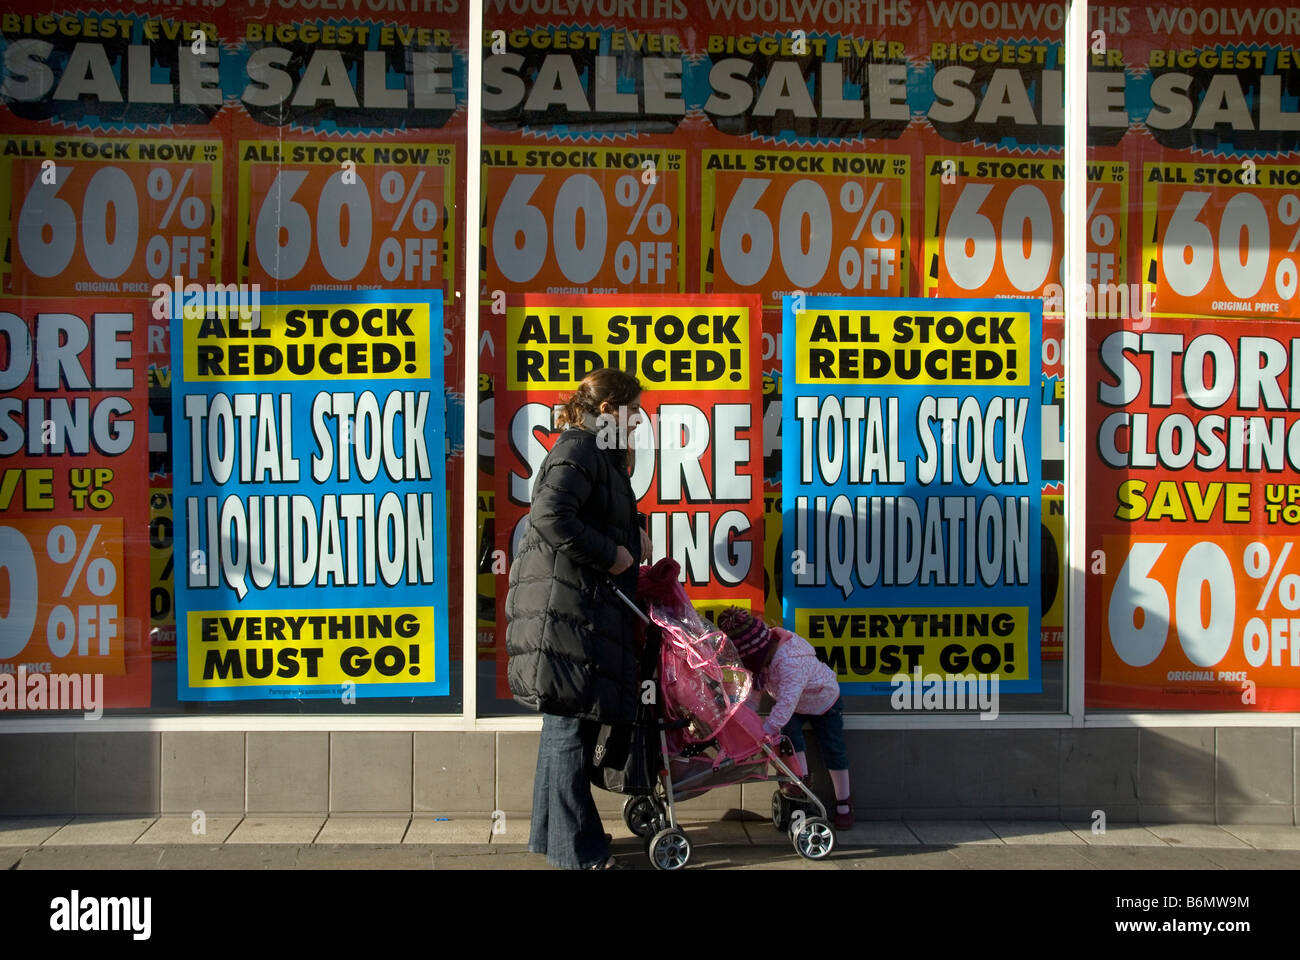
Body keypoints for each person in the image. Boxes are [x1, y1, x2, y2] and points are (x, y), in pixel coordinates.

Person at [505, 367, 653, 870]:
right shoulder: (580, 447)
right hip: (566, 611)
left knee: (563, 725)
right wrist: (612, 553)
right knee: (571, 729)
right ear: (609, 410)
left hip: (569, 609)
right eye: (634, 411)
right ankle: (579, 852)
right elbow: (550, 515)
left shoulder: (594, 451)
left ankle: (555, 840)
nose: (640, 421)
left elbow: (590, 511)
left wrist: (634, 534)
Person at [716, 606, 853, 830]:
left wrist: (764, 731)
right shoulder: (761, 658)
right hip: (795, 705)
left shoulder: (790, 662)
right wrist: (742, 718)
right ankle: (801, 779)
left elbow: (786, 704)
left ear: (760, 655)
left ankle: (844, 801)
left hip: (823, 701)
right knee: (790, 739)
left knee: (833, 748)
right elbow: (754, 695)